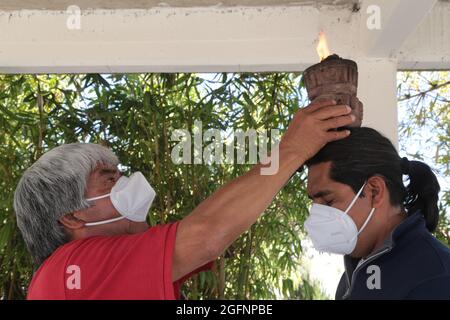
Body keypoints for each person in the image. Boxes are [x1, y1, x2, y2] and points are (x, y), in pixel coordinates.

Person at [14, 99, 354, 299]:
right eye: (110, 180)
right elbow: (206, 235)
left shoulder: (79, 275)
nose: (129, 183)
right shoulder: (75, 267)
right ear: (72, 216)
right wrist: (291, 150)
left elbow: (199, 228)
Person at [304, 126, 450, 299]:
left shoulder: (435, 277)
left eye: (328, 201)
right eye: (314, 203)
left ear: (375, 191)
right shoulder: (353, 274)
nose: (315, 216)